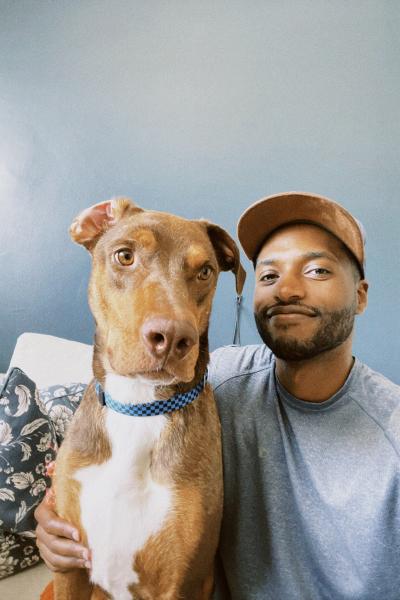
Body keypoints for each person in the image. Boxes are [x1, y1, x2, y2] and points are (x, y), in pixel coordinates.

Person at [35, 192, 400, 600]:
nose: (288, 290)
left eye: (317, 270)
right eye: (269, 276)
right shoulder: (219, 381)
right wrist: (53, 519)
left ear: (361, 295)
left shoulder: (392, 436)